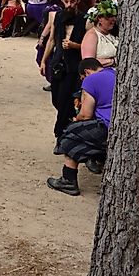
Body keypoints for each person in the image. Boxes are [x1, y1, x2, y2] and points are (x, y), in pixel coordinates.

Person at [47, 58, 115, 195]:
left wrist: (76, 119)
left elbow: (85, 115)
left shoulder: (91, 80)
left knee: (71, 132)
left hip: (105, 126)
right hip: (118, 126)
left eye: (82, 78)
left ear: (87, 72)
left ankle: (68, 179)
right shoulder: (115, 73)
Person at [40, 0, 87, 138]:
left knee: (66, 100)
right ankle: (66, 126)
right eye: (66, 1)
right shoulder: (58, 17)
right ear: (62, 1)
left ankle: (61, 133)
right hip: (57, 64)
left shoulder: (85, 20)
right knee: (57, 99)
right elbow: (52, 39)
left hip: (74, 67)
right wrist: (43, 60)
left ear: (78, 1)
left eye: (72, 1)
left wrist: (75, 45)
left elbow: (89, 46)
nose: (69, 4)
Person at [81, 0, 118, 68]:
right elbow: (88, 62)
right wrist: (112, 61)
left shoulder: (113, 33)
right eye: (109, 17)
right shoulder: (92, 36)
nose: (113, 20)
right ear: (99, 18)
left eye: (114, 16)